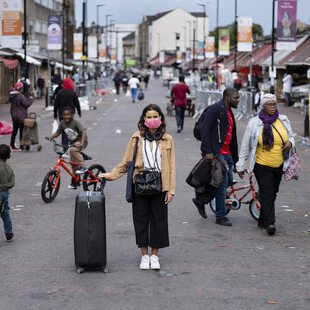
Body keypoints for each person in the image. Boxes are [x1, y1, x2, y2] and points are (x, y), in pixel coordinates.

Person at [99, 104, 175, 270]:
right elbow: (126, 163)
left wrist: (171, 190)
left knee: (159, 220)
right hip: (140, 184)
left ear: (161, 119)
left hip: (160, 185)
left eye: (155, 116)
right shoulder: (136, 138)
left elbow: (171, 167)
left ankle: (155, 256)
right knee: (140, 220)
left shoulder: (167, 139)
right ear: (144, 120)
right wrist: (110, 175)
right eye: (149, 116)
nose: (152, 119)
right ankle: (144, 255)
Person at [236, 93, 295, 235]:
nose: (273, 107)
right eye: (269, 104)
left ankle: (263, 219)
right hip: (262, 165)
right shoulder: (255, 122)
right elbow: (246, 145)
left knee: (272, 193)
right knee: (267, 193)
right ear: (263, 106)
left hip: (279, 164)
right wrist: (240, 164)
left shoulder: (283, 120)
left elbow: (291, 136)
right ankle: (270, 223)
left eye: (274, 104)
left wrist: (289, 143)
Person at [192, 88, 240, 226]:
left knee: (229, 181)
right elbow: (206, 129)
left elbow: (231, 135)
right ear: (227, 97)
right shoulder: (215, 109)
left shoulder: (229, 111)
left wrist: (235, 158)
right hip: (217, 153)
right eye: (236, 97)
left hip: (228, 153)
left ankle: (201, 200)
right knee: (222, 184)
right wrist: (208, 151)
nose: (238, 100)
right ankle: (220, 216)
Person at [49, 106, 88, 188]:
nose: (66, 116)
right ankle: (75, 182)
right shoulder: (62, 123)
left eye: (68, 115)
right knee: (73, 164)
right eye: (64, 115)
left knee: (73, 150)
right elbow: (57, 133)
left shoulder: (75, 122)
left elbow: (83, 132)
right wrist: (51, 137)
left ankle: (83, 166)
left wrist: (81, 143)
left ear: (72, 115)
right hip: (73, 143)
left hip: (82, 141)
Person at [53, 78, 81, 149]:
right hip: (70, 114)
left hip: (62, 114)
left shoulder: (60, 92)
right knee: (71, 130)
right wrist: (79, 112)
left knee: (64, 131)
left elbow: (56, 104)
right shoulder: (72, 92)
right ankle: (72, 146)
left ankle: (65, 148)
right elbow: (77, 103)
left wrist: (55, 114)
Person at [9, 82, 34, 150]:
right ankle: (22, 146)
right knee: (22, 131)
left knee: (14, 131)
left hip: (14, 115)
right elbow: (26, 103)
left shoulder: (12, 96)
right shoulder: (20, 96)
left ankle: (12, 144)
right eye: (22, 87)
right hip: (21, 116)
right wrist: (31, 98)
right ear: (20, 88)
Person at [0, 144, 15, 242]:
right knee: (5, 214)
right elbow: (12, 183)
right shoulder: (9, 169)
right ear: (8, 156)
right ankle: (9, 233)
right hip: (5, 194)